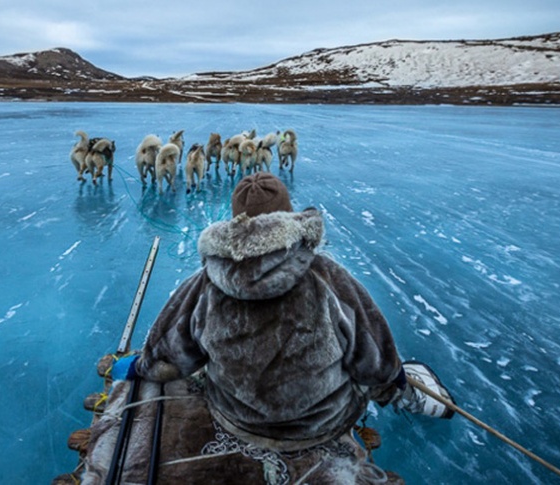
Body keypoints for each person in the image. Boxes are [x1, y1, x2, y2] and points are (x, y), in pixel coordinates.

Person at [113, 172, 445, 452]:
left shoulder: (204, 284)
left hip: (238, 420)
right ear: (289, 216)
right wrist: (393, 375)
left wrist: (141, 366)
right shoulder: (327, 276)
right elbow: (373, 357)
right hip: (320, 424)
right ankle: (408, 396)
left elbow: (167, 358)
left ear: (234, 223)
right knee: (365, 372)